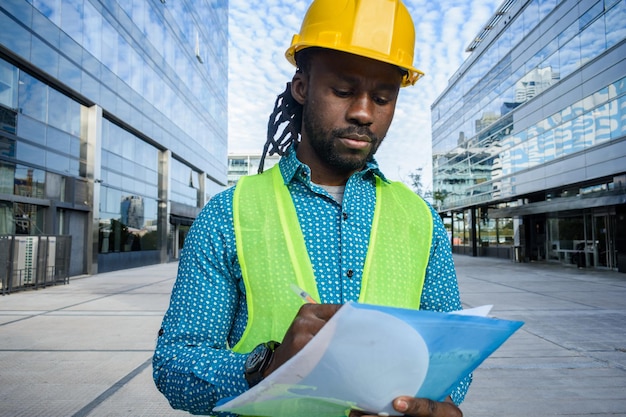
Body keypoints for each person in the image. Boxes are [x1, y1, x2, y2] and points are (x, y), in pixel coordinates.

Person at [153, 0, 470, 416]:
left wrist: (428, 404)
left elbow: (453, 363)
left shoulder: (421, 220)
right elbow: (174, 363)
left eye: (382, 97)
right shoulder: (230, 214)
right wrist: (265, 366)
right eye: (342, 91)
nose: (363, 112)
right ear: (301, 87)